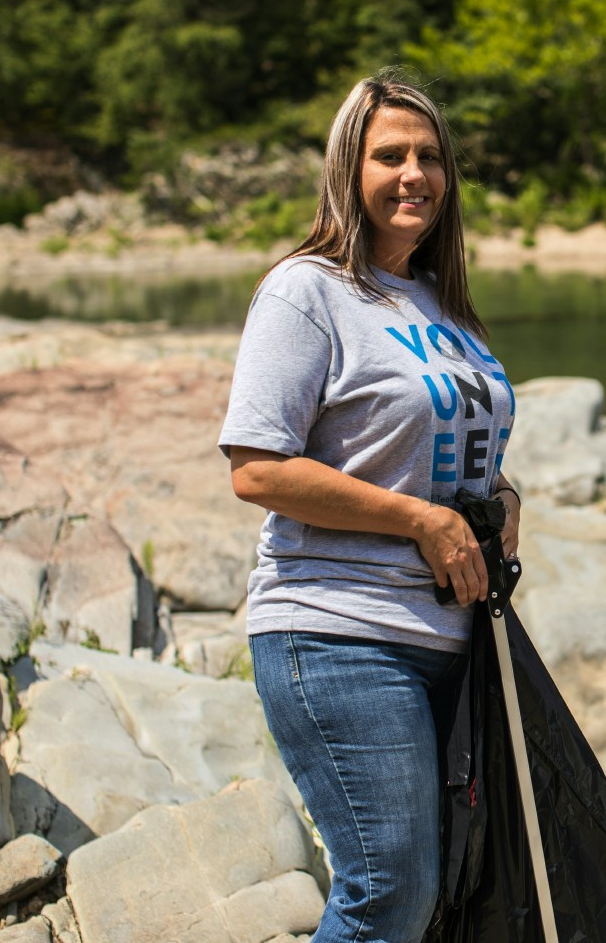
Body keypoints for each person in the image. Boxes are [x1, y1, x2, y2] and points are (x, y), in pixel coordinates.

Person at [219, 70, 519, 942]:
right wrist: (421, 522)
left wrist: (502, 498)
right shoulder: (305, 291)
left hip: (453, 640)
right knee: (388, 892)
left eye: (430, 156)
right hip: (336, 631)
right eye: (390, 155)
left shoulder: (442, 303)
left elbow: (455, 460)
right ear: (349, 169)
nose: (413, 174)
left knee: (449, 895)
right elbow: (258, 468)